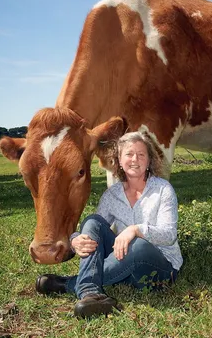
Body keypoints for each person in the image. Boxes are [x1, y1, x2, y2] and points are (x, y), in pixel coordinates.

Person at [36, 129, 183, 318]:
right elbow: (94, 230)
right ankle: (90, 292)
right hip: (125, 264)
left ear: (149, 160)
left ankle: (68, 284)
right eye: (129, 154)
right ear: (120, 160)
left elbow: (169, 235)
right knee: (92, 221)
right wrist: (74, 241)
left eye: (141, 154)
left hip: (160, 267)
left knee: (137, 245)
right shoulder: (112, 194)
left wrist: (135, 229)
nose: (135, 159)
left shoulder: (163, 190)